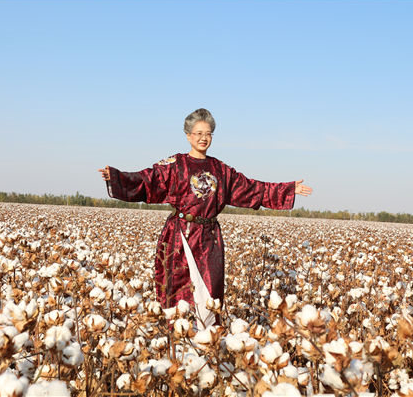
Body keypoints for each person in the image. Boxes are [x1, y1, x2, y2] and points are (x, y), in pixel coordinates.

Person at [99, 108, 312, 327]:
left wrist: (287, 189)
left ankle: (207, 341)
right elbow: (146, 179)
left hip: (210, 238)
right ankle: (178, 338)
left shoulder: (220, 169)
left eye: (208, 133)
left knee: (210, 292)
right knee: (178, 291)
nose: (203, 138)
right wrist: (116, 176)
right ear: (188, 135)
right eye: (198, 133)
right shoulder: (175, 164)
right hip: (180, 235)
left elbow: (250, 189)